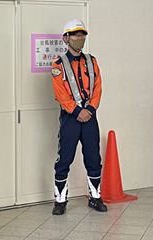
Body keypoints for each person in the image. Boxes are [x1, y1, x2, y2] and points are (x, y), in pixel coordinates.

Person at [51, 19, 107, 215]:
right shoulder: (58, 65)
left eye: (82, 34)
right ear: (66, 38)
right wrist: (77, 111)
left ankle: (95, 197)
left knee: (93, 157)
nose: (79, 38)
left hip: (90, 116)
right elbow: (60, 94)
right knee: (64, 159)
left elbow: (98, 88)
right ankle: (60, 201)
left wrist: (89, 109)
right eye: (75, 35)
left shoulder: (92, 61)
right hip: (70, 118)